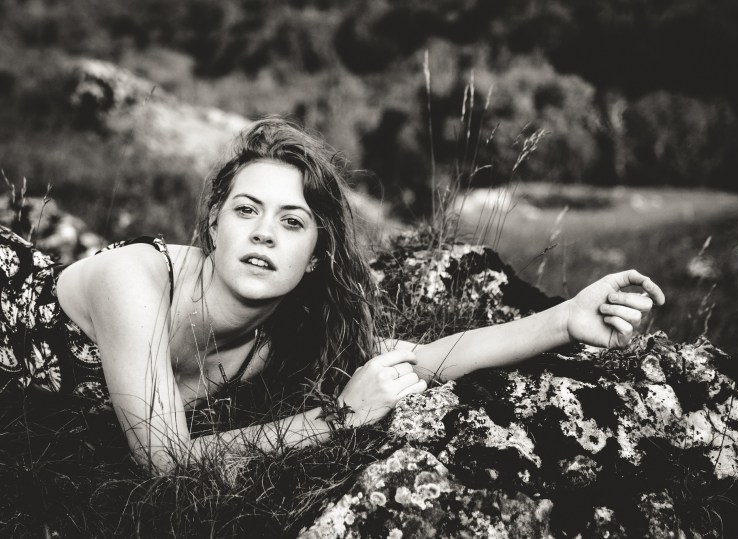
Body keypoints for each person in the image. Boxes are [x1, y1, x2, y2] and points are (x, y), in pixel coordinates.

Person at [0, 117, 665, 474]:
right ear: (213, 223)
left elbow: (418, 361)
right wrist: (339, 418)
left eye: (292, 222)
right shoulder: (135, 280)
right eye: (246, 210)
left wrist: (565, 319)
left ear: (315, 255)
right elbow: (165, 461)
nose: (264, 232)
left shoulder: (277, 338)